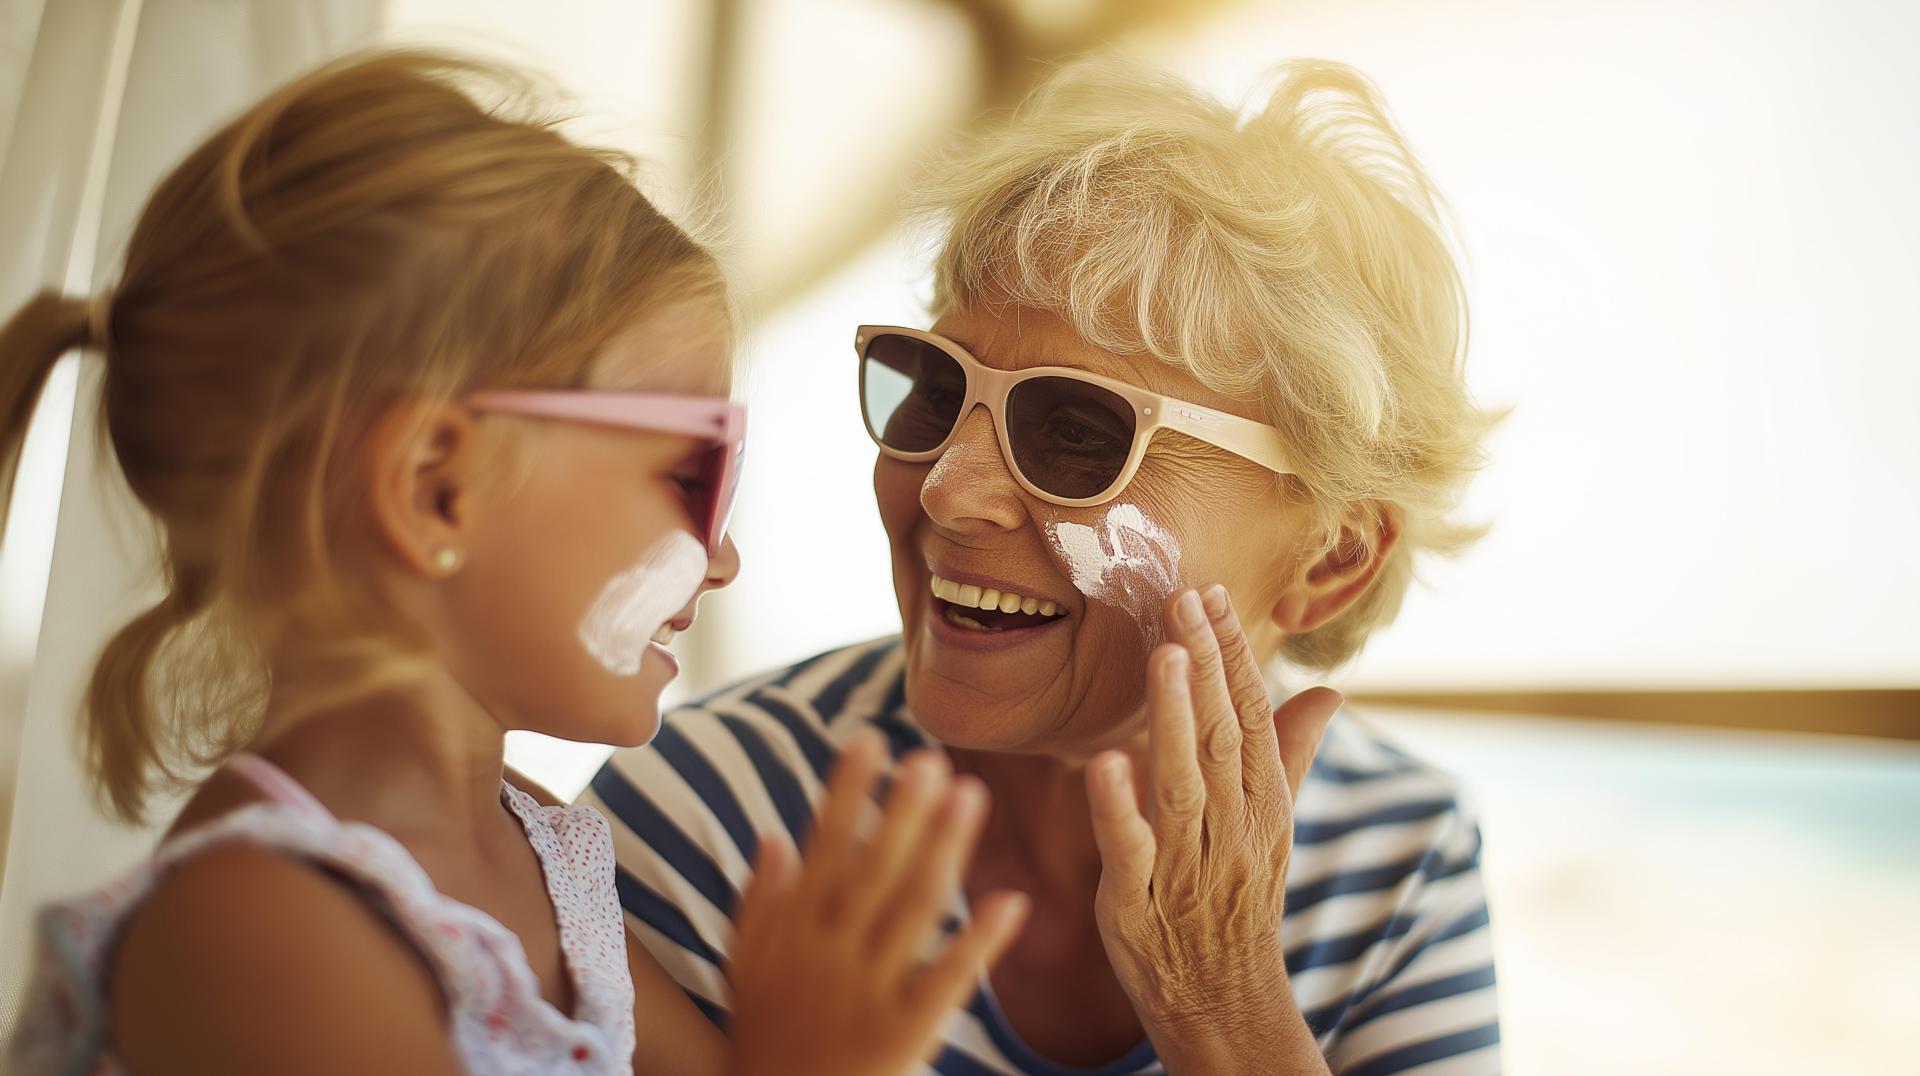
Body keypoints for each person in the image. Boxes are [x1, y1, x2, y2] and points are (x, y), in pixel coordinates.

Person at [0, 51, 1027, 1076]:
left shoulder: (540, 847)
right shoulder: (253, 927)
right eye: (692, 473)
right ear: (434, 485)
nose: (723, 558)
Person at [588, 58, 1501, 1074]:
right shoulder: (713, 814)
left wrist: (1225, 1008)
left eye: (1074, 430)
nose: (946, 486)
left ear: (1328, 560)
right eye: (934, 389)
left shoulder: (1399, 855)